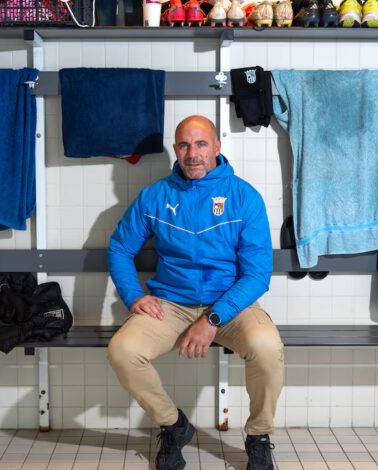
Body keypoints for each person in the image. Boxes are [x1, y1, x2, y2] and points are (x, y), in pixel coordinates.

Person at [107, 115, 284, 470]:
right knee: (123, 350)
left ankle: (259, 437)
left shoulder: (244, 197)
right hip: (171, 305)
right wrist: (132, 295)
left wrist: (213, 318)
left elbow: (257, 274)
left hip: (230, 306)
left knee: (267, 347)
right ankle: (173, 426)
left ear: (217, 147)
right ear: (176, 149)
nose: (193, 154)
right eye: (185, 145)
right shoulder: (156, 196)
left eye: (201, 144)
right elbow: (120, 248)